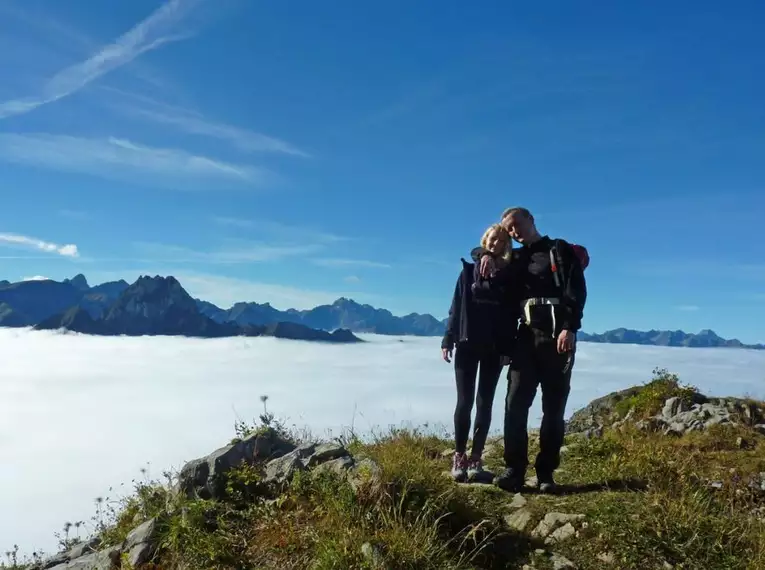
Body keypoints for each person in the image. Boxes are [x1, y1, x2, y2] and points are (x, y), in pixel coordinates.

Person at [472, 207, 587, 493]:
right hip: (525, 339)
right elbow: (481, 250)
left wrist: (570, 328)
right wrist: (484, 255)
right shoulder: (515, 258)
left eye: (516, 225)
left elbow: (577, 289)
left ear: (531, 220)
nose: (514, 232)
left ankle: (546, 473)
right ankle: (514, 470)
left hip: (558, 339)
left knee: (553, 408)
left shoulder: (558, 250)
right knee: (514, 404)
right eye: (509, 229)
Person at [441, 224, 518, 483]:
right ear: (486, 240)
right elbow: (456, 308)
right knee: (464, 402)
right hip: (466, 345)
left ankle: (476, 458)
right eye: (493, 239)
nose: (496, 243)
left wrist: (508, 349)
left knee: (485, 403)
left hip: (494, 349)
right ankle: (459, 456)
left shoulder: (508, 277)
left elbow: (511, 317)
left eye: (502, 240)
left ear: (506, 245)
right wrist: (447, 339)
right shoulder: (468, 272)